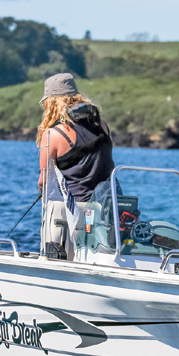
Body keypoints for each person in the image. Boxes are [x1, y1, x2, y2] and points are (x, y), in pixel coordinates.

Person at [36, 73, 114, 259]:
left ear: (52, 103)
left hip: (70, 212)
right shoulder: (102, 126)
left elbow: (43, 182)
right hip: (104, 209)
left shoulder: (52, 135)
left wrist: (43, 194)